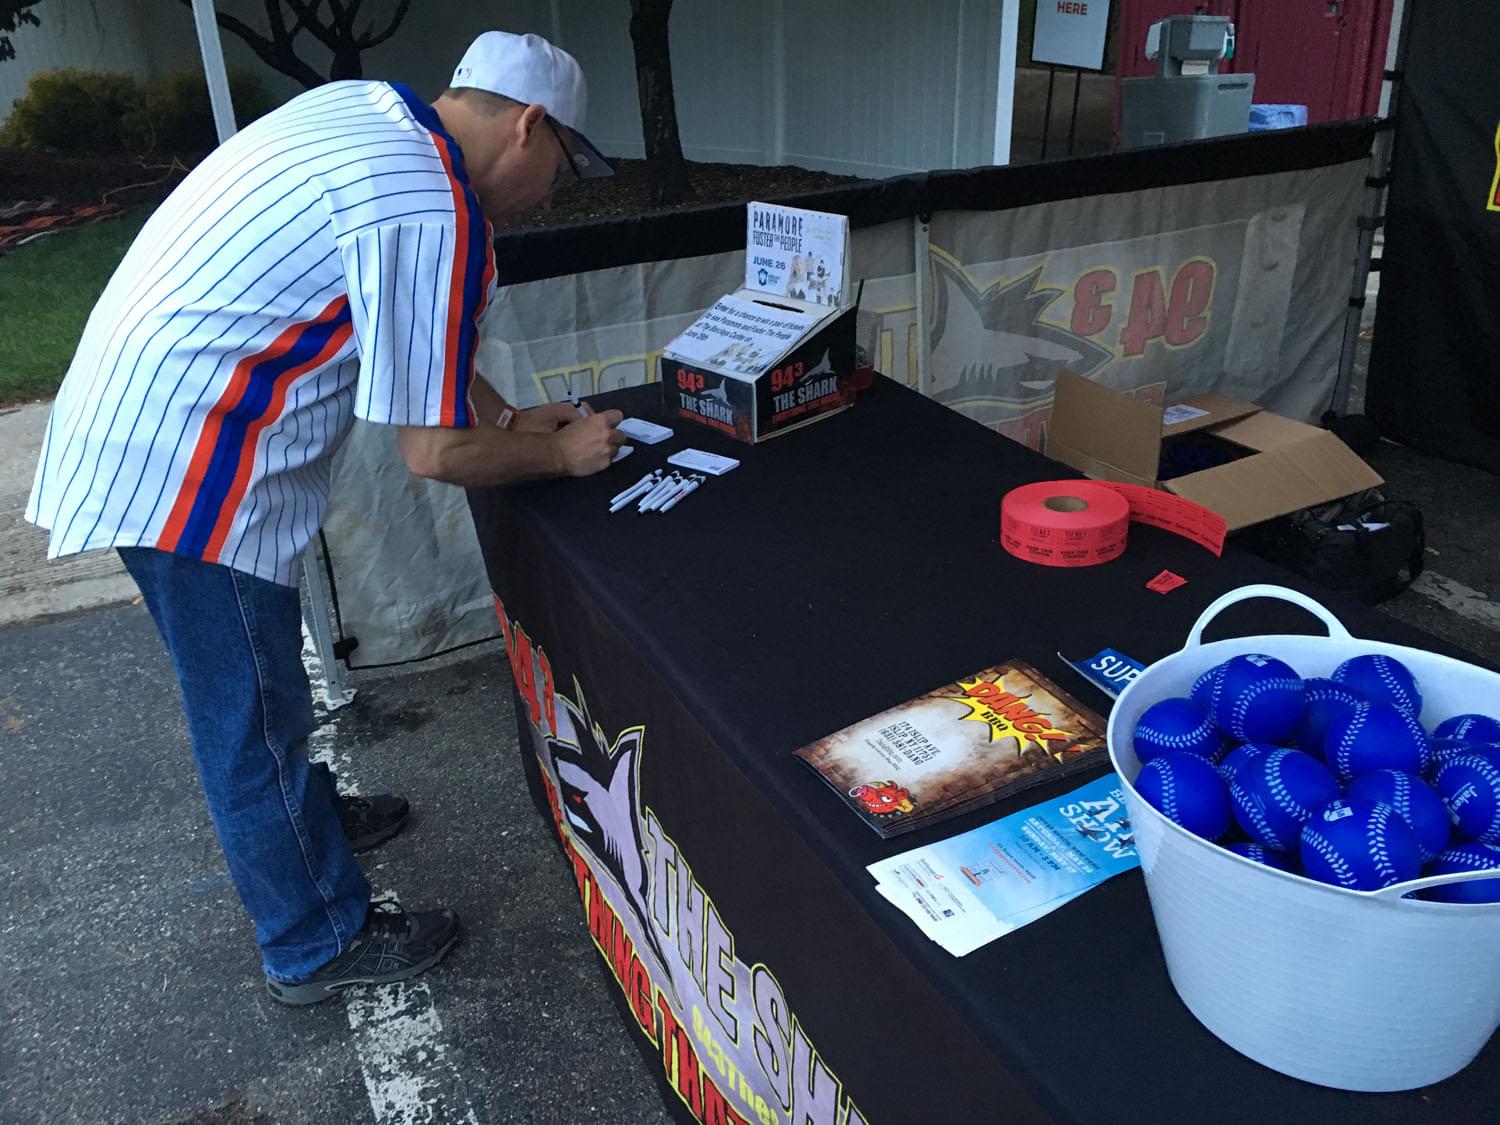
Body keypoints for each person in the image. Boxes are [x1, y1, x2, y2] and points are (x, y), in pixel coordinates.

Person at [25, 31, 623, 1005]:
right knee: (249, 714)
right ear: (528, 126)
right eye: (563, 164)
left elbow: (418, 342)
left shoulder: (373, 117)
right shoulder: (432, 203)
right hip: (189, 467)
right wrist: (559, 454)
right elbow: (435, 451)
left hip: (150, 421)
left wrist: (513, 419)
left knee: (260, 692)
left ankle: (300, 830)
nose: (554, 193)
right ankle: (312, 940)